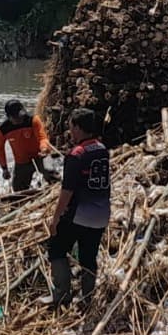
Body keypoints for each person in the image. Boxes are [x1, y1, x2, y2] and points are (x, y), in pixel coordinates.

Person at [46, 108, 111, 309]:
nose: (70, 132)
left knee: (56, 248)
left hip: (80, 214)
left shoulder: (76, 154)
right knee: (88, 256)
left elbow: (67, 191)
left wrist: (55, 219)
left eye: (71, 127)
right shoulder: (102, 149)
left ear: (78, 128)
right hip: (101, 214)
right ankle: (87, 298)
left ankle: (61, 295)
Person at [0, 100, 53, 192]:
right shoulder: (3, 129)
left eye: (21, 115)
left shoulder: (33, 120)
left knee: (53, 176)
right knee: (18, 191)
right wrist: (4, 168)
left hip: (41, 156)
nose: (20, 119)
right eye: (16, 117)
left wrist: (44, 148)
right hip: (22, 162)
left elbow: (42, 137)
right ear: (9, 117)